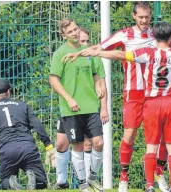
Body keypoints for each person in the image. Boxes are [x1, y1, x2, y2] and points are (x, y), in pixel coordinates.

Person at [64, 14, 171, 192]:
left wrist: (98, 52)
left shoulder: (148, 53)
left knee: (151, 146)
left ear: (154, 38)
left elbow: (119, 54)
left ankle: (149, 185)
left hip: (152, 103)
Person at [64, 2, 171, 191]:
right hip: (133, 92)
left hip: (155, 93)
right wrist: (79, 53)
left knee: (159, 136)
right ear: (134, 16)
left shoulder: (157, 35)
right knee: (129, 134)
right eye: (141, 17)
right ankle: (123, 177)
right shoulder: (124, 34)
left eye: (147, 17)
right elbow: (100, 47)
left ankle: (159, 173)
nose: (145, 20)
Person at [0, 79, 55, 190]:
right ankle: (35, 180)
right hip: (28, 148)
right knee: (42, 183)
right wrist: (49, 147)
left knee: (5, 182)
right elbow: (38, 126)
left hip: (7, 151)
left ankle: (10, 183)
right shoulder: (22, 105)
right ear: (8, 92)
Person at [49, 18, 105, 192]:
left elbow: (96, 74)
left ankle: (93, 177)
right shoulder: (60, 53)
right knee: (77, 145)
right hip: (71, 109)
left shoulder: (87, 52)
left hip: (91, 106)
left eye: (76, 29)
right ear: (63, 34)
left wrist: (97, 85)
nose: (74, 33)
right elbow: (53, 79)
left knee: (99, 142)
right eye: (70, 31)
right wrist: (69, 98)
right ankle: (82, 184)